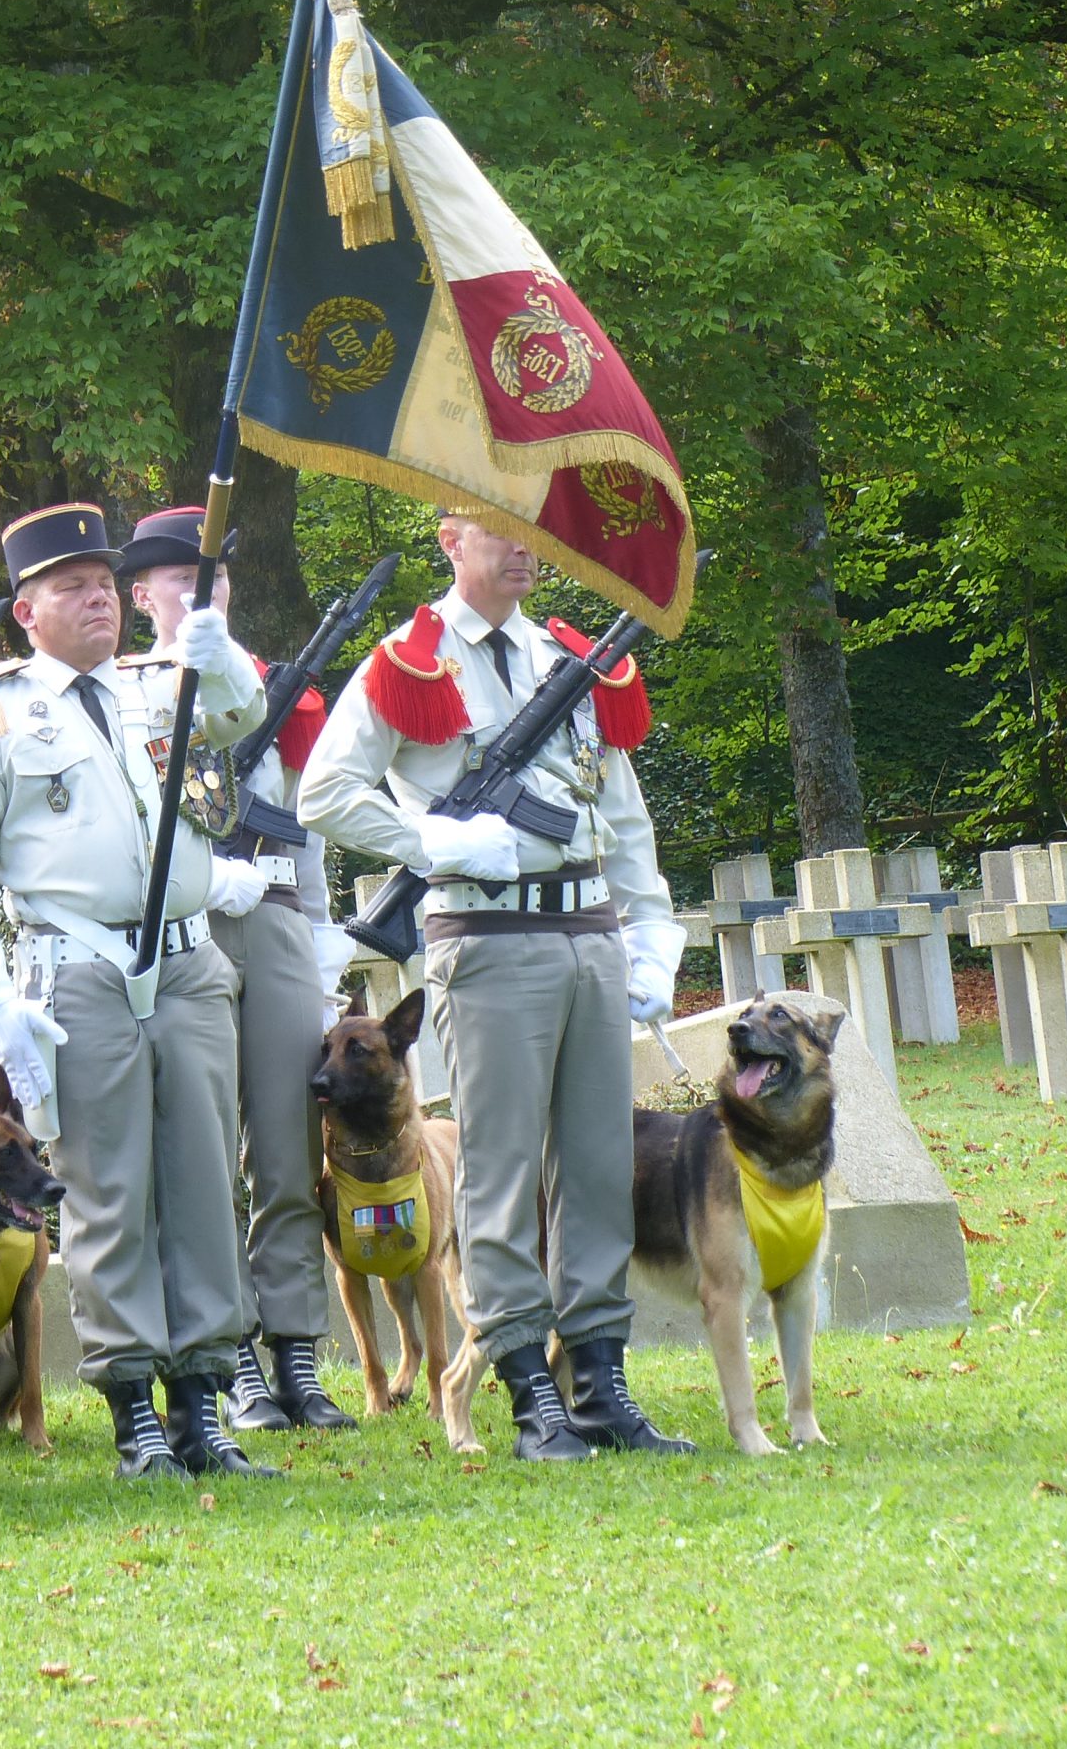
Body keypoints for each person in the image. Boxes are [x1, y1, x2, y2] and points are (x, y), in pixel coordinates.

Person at [295, 511, 694, 1460]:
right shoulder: (411, 658)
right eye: (501, 530)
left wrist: (653, 929)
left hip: (590, 930)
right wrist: (431, 840)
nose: (525, 548)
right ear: (450, 540)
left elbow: (623, 813)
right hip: (490, 933)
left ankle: (598, 1383)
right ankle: (527, 1390)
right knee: (503, 1170)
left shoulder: (573, 656)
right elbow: (326, 791)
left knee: (598, 1164)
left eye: (533, 533)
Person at [0, 502, 276, 1480]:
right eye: (68, 587)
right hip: (77, 971)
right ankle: (134, 1415)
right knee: (111, 1189)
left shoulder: (161, 684)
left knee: (206, 1180)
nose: (95, 600)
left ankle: (202, 1404)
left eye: (102, 583)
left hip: (188, 961)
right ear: (25, 611)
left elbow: (243, 716)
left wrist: (225, 652)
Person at [117, 506, 355, 1433]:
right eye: (178, 578)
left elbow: (305, 822)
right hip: (188, 924)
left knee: (289, 1150)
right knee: (204, 1156)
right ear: (142, 595)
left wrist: (322, 930)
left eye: (210, 576)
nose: (197, 590)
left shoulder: (275, 688)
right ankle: (230, 1365)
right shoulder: (127, 691)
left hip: (280, 923)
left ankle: (295, 1354)